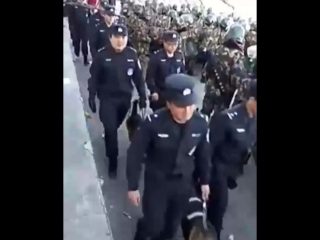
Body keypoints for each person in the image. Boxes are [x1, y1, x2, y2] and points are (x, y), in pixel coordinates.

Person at [127, 74, 211, 240]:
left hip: (183, 183)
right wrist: (133, 186)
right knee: (153, 224)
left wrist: (205, 181)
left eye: (191, 105)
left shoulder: (200, 124)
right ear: (170, 104)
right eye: (181, 106)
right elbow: (135, 153)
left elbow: (203, 154)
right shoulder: (154, 123)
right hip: (158, 181)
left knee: (171, 226)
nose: (187, 111)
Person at [88, 24, 147, 178]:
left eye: (123, 38)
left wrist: (143, 96)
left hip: (124, 100)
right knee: (111, 130)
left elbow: (138, 79)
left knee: (116, 125)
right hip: (107, 99)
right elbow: (93, 78)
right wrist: (91, 95)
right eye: (117, 38)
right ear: (110, 38)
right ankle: (112, 161)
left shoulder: (132, 55)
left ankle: (110, 136)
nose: (120, 41)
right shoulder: (102, 56)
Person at [207, 78, 257, 240]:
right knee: (220, 206)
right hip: (217, 167)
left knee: (216, 204)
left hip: (234, 168)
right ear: (252, 100)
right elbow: (208, 148)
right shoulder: (227, 119)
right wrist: (204, 179)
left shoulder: (254, 119)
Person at [201, 23, 247, 115]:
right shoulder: (238, 57)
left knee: (204, 114)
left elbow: (205, 72)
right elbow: (238, 82)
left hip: (211, 90)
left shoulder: (216, 49)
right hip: (225, 96)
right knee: (220, 121)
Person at [146, 30, 186, 112]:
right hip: (161, 94)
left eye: (175, 44)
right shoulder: (156, 57)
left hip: (175, 95)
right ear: (164, 43)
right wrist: (154, 91)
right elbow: (150, 77)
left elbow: (183, 74)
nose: (172, 47)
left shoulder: (179, 56)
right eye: (169, 44)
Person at [70, 0, 90, 65]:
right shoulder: (73, 6)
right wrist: (71, 28)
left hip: (84, 28)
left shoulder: (86, 6)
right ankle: (76, 54)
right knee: (76, 41)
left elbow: (89, 17)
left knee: (84, 43)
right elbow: (71, 18)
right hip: (76, 28)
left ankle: (85, 58)